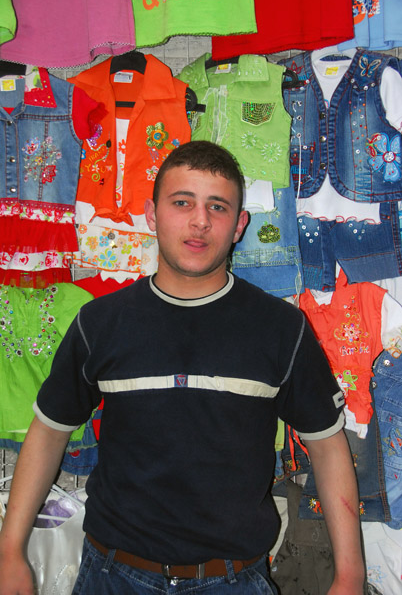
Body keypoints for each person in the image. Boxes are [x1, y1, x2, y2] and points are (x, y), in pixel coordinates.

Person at [0, 141, 365, 594]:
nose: (199, 221)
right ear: (152, 216)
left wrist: (350, 575)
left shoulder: (281, 328)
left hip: (234, 580)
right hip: (112, 577)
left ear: (239, 225)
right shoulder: (101, 323)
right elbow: (49, 430)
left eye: (218, 207)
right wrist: (9, 550)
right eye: (182, 203)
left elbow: (328, 447)